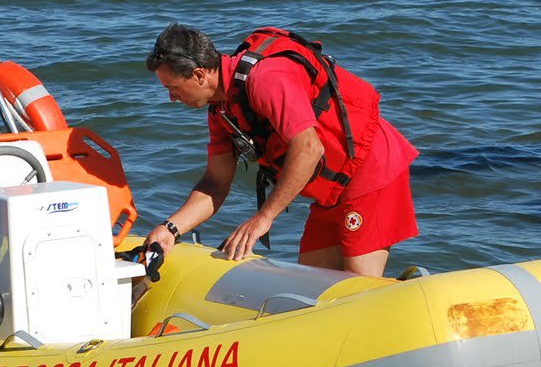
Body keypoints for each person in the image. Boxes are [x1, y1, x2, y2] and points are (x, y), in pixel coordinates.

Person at [143, 23, 418, 278]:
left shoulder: (266, 80)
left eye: (173, 88)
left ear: (199, 75)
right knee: (313, 285)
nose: (171, 98)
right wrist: (171, 228)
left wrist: (264, 218)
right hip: (330, 193)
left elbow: (309, 148)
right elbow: (215, 183)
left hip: (370, 170)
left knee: (359, 286)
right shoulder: (222, 112)